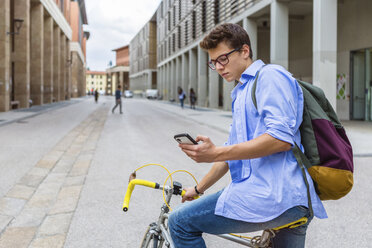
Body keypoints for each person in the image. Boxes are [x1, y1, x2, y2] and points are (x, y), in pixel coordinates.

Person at [168, 23, 327, 248]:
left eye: (223, 58)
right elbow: (232, 151)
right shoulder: (242, 91)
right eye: (213, 62)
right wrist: (199, 189)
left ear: (244, 51)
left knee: (179, 222)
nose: (219, 67)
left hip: (273, 197)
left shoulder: (269, 76)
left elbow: (281, 139)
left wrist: (215, 153)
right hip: (287, 200)